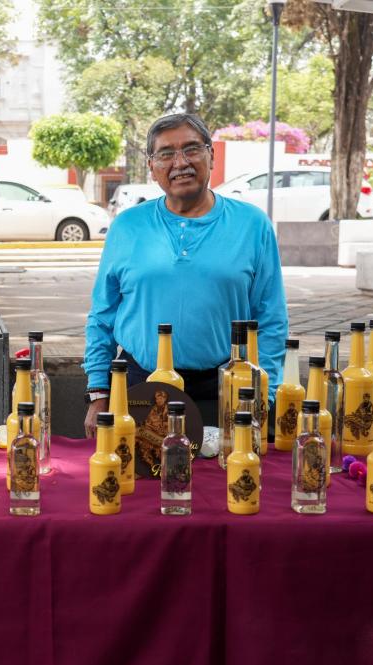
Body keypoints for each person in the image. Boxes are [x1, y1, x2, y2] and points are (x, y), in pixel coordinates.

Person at [83, 113, 287, 438]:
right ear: (152, 166)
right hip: (141, 387)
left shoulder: (252, 225)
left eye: (192, 149)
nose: (181, 163)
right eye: (166, 154)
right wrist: (99, 392)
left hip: (223, 388)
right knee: (141, 485)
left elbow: (271, 318)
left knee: (226, 481)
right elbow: (102, 315)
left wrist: (265, 394)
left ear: (211, 155)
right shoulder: (127, 226)